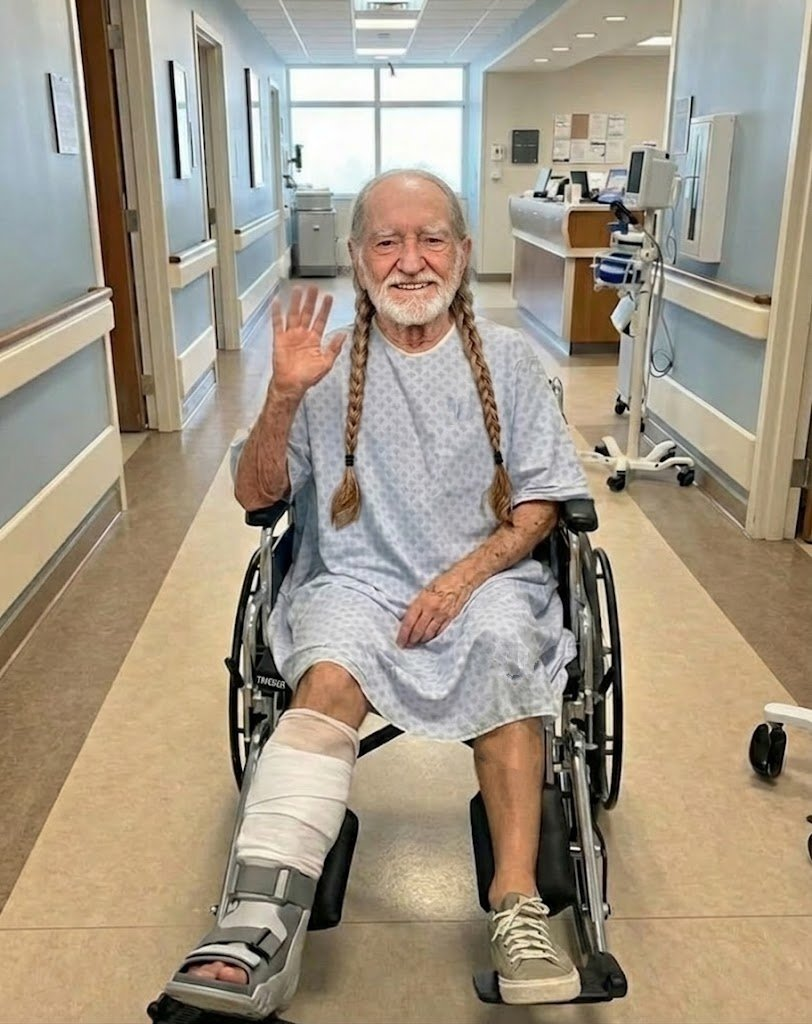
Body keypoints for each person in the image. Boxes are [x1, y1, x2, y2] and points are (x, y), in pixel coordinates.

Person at [163, 169, 590, 1019]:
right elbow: (257, 497)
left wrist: (461, 579)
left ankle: (516, 906)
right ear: (357, 258)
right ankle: (260, 916)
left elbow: (543, 500)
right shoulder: (322, 365)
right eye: (388, 242)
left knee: (508, 646)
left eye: (431, 239)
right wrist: (283, 396)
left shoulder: (509, 359)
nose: (411, 261)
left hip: (485, 579)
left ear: (463, 252)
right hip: (353, 578)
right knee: (328, 672)